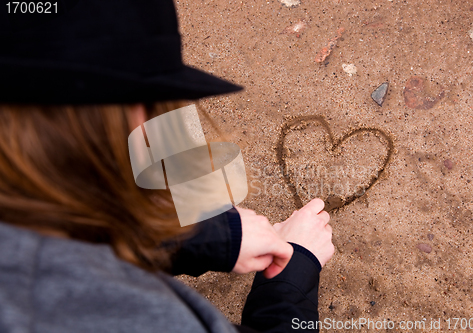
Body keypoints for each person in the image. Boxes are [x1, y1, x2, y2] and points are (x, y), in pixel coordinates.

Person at [0, 1, 335, 332]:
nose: (157, 117)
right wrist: (296, 274)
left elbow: (81, 226)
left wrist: (216, 236)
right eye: (154, 102)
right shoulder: (114, 315)